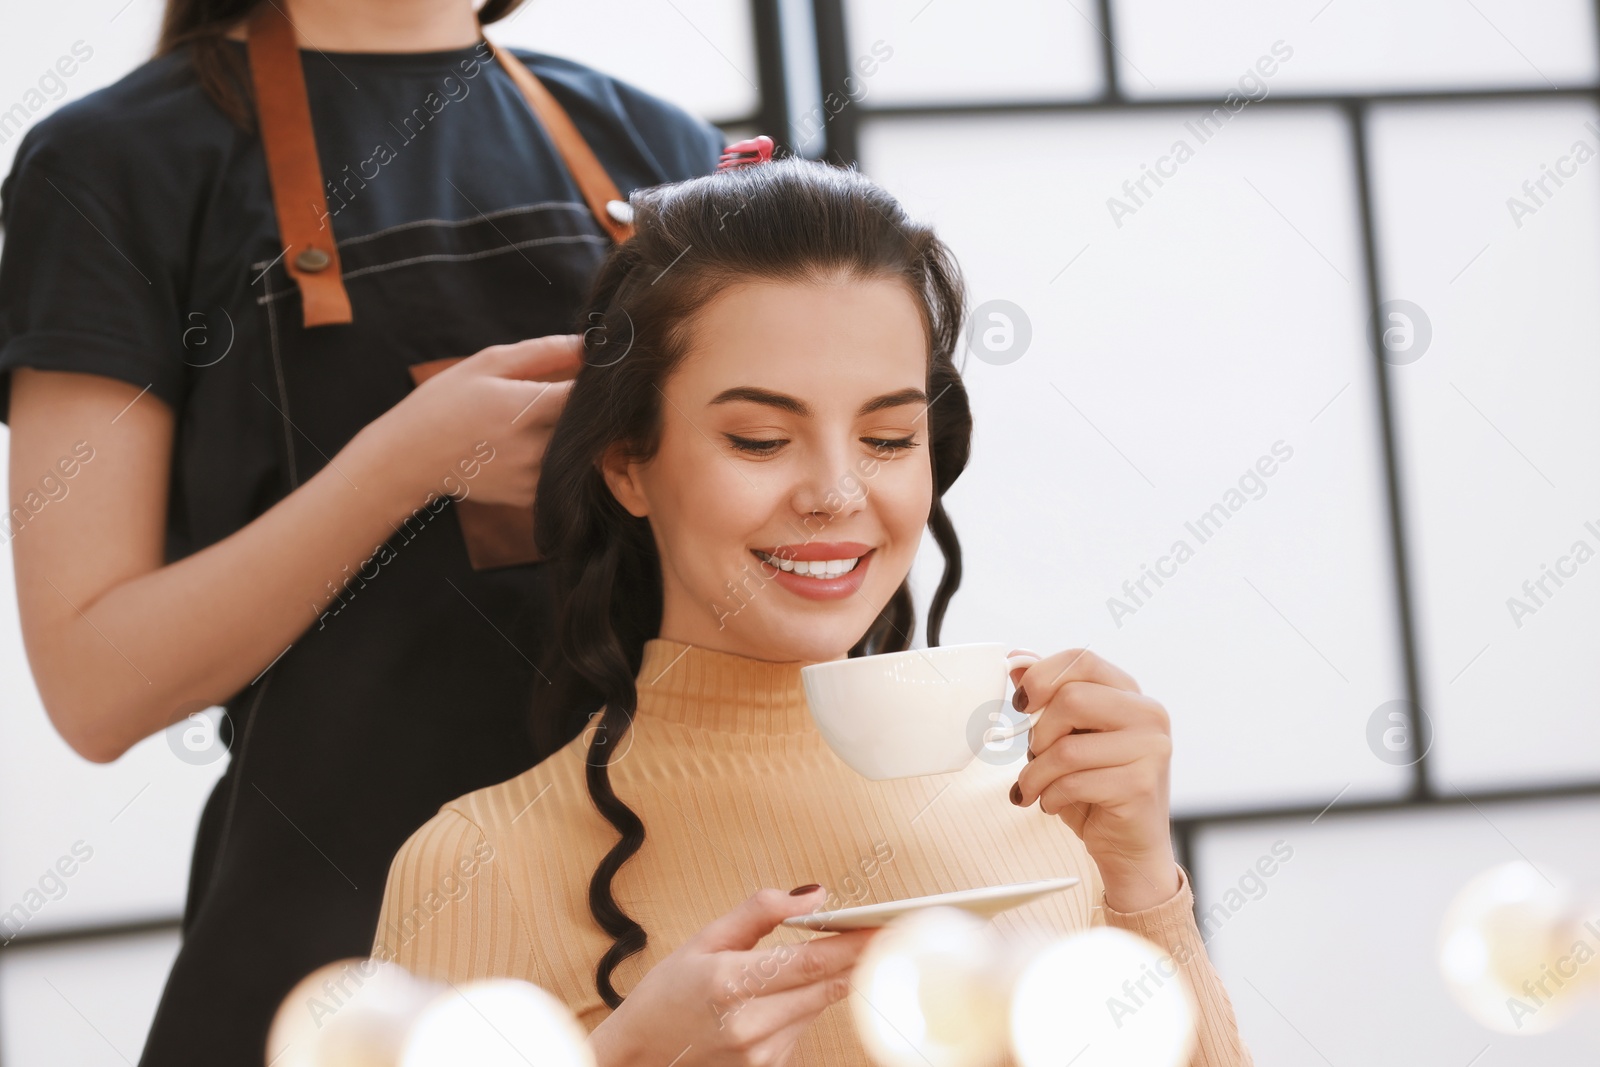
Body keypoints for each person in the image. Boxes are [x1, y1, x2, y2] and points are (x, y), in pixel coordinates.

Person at [371, 158, 1255, 1066]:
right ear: (627, 464)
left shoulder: (1055, 812)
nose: (837, 492)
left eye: (887, 438)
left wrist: (1145, 885)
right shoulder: (479, 864)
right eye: (759, 439)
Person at [0, 0, 725, 1062]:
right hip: (343, 960)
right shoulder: (113, 165)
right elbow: (96, 685)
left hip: (671, 928)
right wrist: (404, 464)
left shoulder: (661, 147)